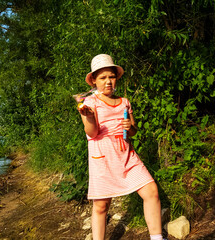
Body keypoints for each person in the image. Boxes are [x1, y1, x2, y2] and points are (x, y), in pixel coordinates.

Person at [77, 54, 164, 240]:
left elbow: (133, 131)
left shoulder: (124, 102)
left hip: (127, 155)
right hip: (102, 157)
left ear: (116, 78)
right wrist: (90, 117)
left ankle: (157, 238)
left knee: (151, 191)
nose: (108, 81)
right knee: (101, 206)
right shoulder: (89, 103)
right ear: (93, 81)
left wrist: (130, 127)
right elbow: (92, 134)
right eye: (102, 78)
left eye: (111, 76)